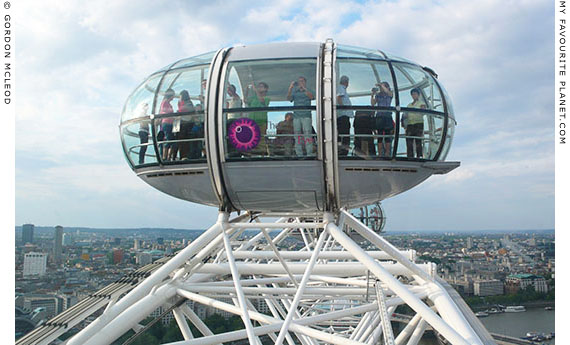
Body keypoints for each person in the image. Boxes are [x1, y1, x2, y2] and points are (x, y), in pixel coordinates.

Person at [287, 76, 315, 157]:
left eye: (302, 81)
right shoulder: (295, 92)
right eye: (299, 81)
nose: (300, 83)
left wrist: (305, 89)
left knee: (307, 135)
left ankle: (309, 153)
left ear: (305, 82)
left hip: (306, 116)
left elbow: (311, 97)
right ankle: (299, 154)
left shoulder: (308, 90)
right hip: (296, 117)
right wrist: (290, 88)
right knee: (297, 135)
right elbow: (289, 98)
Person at [245, 81, 270, 155]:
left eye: (261, 87)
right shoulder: (253, 98)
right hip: (252, 122)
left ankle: (262, 154)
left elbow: (262, 101)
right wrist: (246, 91)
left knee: (261, 139)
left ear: (266, 89)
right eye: (259, 86)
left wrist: (255, 90)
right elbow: (246, 101)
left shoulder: (267, 98)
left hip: (262, 122)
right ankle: (252, 154)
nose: (259, 88)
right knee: (251, 138)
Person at [371, 81, 394, 157]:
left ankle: (387, 153)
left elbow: (389, 93)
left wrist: (382, 85)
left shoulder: (390, 93)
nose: (381, 88)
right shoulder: (378, 95)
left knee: (387, 136)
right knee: (380, 137)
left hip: (387, 116)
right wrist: (372, 95)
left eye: (382, 87)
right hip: (380, 116)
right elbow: (373, 103)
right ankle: (380, 154)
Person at [402, 88, 426, 158]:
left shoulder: (421, 103)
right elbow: (405, 115)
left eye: (415, 94)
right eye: (412, 94)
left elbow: (423, 112)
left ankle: (419, 156)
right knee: (409, 141)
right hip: (410, 124)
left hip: (418, 124)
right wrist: (404, 124)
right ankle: (410, 156)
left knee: (418, 140)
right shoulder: (409, 105)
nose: (413, 96)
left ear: (418, 95)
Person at [337, 75, 353, 156]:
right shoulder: (341, 88)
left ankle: (341, 150)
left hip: (342, 116)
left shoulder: (340, 88)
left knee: (342, 134)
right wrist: (342, 107)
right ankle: (343, 152)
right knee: (345, 135)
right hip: (343, 116)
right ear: (346, 82)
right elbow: (339, 97)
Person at [177, 90, 195, 160]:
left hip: (186, 123)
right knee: (182, 141)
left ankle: (186, 156)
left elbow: (186, 110)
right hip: (183, 123)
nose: (179, 97)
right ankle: (183, 156)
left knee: (185, 140)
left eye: (180, 96)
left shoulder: (188, 103)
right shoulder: (185, 103)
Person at [159, 88, 176, 161]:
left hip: (170, 123)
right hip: (166, 123)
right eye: (173, 95)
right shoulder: (165, 102)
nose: (174, 97)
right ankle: (165, 157)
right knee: (169, 140)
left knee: (172, 140)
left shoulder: (168, 103)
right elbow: (163, 111)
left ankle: (168, 157)